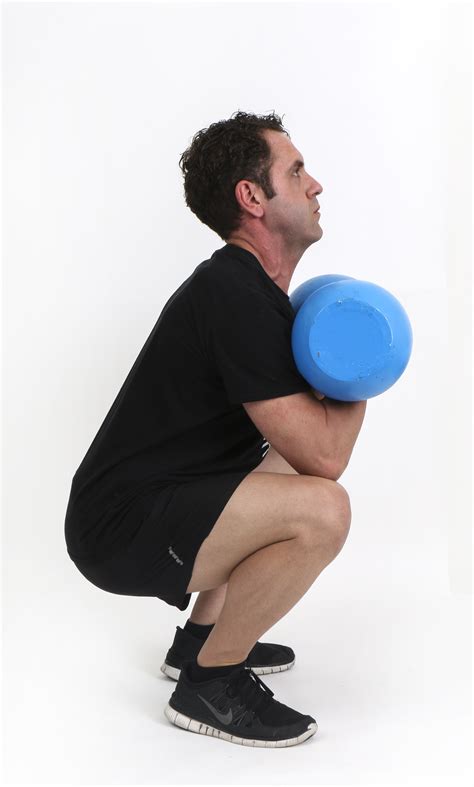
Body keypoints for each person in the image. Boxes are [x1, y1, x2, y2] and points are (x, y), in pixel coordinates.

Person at [64, 110, 367, 748]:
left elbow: (300, 451)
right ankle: (210, 684)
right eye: (297, 172)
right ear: (252, 197)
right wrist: (362, 364)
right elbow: (327, 459)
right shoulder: (233, 295)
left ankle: (198, 642)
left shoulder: (249, 292)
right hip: (120, 526)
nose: (316, 185)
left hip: (151, 500)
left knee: (287, 467)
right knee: (324, 510)